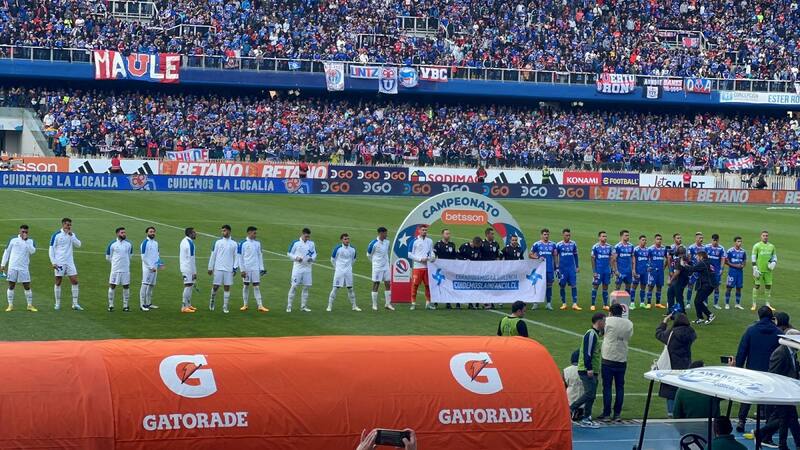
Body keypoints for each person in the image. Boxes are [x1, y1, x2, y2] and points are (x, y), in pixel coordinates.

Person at [734, 306, 780, 433]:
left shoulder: (751, 331)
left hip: (752, 370)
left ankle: (741, 420)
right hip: (770, 371)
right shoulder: (777, 333)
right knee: (768, 398)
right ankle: (767, 424)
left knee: (748, 395)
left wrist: (737, 369)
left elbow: (742, 351)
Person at [757, 329, 800, 450]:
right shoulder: (780, 353)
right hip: (781, 392)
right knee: (786, 418)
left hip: (789, 392)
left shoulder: (791, 352)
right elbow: (773, 374)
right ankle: (782, 444)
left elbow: (793, 370)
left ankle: (783, 442)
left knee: (788, 418)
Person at [656, 313, 696, 417]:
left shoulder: (673, 333)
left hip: (671, 364)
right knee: (682, 390)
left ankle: (671, 413)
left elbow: (659, 335)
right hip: (685, 364)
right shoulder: (690, 332)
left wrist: (664, 322)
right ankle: (682, 413)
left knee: (670, 391)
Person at [570, 312, 606, 428]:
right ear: (599, 321)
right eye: (604, 321)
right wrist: (589, 368)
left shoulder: (595, 334)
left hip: (593, 370)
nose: (605, 324)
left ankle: (587, 417)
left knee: (592, 394)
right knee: (590, 393)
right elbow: (587, 352)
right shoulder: (590, 334)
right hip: (586, 370)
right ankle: (570, 409)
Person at [599, 303, 633, 422]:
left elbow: (601, 332)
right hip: (621, 357)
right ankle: (617, 413)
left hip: (608, 357)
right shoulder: (629, 323)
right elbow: (629, 336)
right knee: (620, 387)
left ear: (611, 312)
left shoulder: (608, 321)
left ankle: (607, 413)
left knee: (607, 387)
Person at [49, 218, 82, 311]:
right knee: (58, 282)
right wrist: (53, 262)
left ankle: (75, 304)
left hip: (70, 262)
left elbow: (79, 245)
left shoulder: (72, 235)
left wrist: (72, 236)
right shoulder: (56, 235)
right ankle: (57, 304)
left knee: (75, 281)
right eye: (67, 225)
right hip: (59, 262)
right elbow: (51, 249)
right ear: (63, 224)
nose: (69, 226)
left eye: (70, 225)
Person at [1, 224, 37, 312]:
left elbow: (32, 251)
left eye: (26, 232)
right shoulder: (13, 240)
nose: (24, 233)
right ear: (19, 231)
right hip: (12, 267)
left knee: (27, 286)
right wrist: (2, 264)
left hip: (24, 267)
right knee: (11, 285)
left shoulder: (31, 241)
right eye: (23, 231)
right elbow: (7, 252)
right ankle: (10, 305)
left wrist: (26, 241)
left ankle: (29, 305)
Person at [208, 224, 238, 314]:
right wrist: (210, 267)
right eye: (222, 231)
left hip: (228, 269)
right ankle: (212, 301)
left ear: (229, 231)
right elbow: (213, 255)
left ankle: (225, 306)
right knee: (216, 287)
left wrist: (235, 268)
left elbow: (237, 257)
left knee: (227, 287)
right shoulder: (218, 242)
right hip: (218, 268)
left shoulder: (234, 243)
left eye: (224, 230)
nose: (223, 232)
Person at [238, 226, 268, 312]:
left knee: (256, 287)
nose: (256, 235)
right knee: (246, 286)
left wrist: (261, 268)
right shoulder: (243, 243)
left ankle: (260, 305)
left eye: (256, 233)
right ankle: (245, 305)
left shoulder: (258, 243)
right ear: (249, 233)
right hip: (246, 268)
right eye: (254, 233)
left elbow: (260, 256)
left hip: (255, 268)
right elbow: (240, 257)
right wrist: (242, 270)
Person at [328, 233, 361, 312]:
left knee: (350, 289)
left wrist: (348, 267)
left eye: (348, 239)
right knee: (335, 288)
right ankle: (329, 306)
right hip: (339, 272)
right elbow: (332, 259)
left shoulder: (352, 249)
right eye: (345, 239)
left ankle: (354, 306)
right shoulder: (338, 249)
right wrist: (337, 268)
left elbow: (354, 259)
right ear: (342, 240)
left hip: (348, 272)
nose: (347, 240)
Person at [682, 250, 717, 325]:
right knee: (697, 301)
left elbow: (693, 269)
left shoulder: (703, 263)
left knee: (698, 301)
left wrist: (684, 265)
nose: (696, 258)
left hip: (707, 285)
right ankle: (700, 318)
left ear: (701, 257)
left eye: (697, 257)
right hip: (709, 284)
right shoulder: (709, 262)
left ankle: (710, 315)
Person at [287, 227, 316, 313]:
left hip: (307, 268)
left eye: (308, 237)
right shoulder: (295, 243)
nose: (307, 238)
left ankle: (303, 306)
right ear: (302, 234)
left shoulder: (312, 244)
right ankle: (289, 306)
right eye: (306, 236)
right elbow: (289, 253)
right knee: (294, 286)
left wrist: (312, 258)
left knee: (306, 287)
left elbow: (314, 253)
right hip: (298, 269)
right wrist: (296, 258)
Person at [105, 227, 132, 312]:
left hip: (125, 269)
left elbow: (130, 256)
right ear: (117, 234)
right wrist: (115, 264)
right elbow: (108, 257)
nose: (124, 234)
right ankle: (111, 305)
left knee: (126, 286)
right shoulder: (112, 244)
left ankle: (125, 305)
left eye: (124, 232)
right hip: (115, 269)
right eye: (122, 233)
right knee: (112, 286)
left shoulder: (129, 244)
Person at [409, 224, 434, 311]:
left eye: (426, 230)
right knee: (415, 285)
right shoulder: (414, 241)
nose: (424, 231)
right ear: (419, 231)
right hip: (417, 267)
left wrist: (432, 258)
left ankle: (428, 303)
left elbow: (431, 252)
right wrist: (420, 259)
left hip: (427, 267)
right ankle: (413, 303)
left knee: (428, 285)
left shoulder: (430, 241)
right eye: (423, 230)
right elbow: (409, 254)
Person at [367, 227, 393, 311]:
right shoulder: (373, 243)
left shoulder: (387, 242)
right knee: (376, 284)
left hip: (386, 266)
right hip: (377, 267)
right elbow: (368, 255)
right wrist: (375, 263)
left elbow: (388, 251)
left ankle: (387, 304)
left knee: (388, 283)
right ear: (381, 233)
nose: (386, 235)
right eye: (385, 233)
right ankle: (374, 305)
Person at [529, 228, 556, 310]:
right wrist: (537, 257)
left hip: (549, 269)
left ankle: (548, 303)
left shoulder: (553, 245)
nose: (546, 236)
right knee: (538, 285)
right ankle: (535, 303)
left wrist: (556, 267)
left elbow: (555, 256)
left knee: (549, 286)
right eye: (544, 234)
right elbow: (530, 255)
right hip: (540, 270)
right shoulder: (537, 244)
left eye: (547, 234)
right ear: (541, 235)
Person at [555, 228, 581, 311]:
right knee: (562, 285)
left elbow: (576, 256)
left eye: (569, 235)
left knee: (573, 285)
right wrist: (557, 267)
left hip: (571, 268)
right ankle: (564, 303)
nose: (568, 237)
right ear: (563, 235)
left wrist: (577, 266)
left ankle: (574, 304)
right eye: (566, 235)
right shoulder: (558, 245)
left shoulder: (573, 244)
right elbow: (555, 256)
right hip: (562, 269)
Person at [751, 230, 777, 311]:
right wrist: (754, 267)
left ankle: (767, 304)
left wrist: (774, 263)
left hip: (768, 271)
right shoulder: (757, 246)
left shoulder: (772, 246)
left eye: (766, 235)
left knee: (768, 286)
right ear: (761, 236)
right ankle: (754, 304)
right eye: (764, 235)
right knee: (757, 285)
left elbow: (774, 257)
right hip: (759, 270)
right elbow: (753, 257)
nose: (765, 237)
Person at [433, 228, 458, 309]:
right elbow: (434, 256)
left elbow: (454, 256)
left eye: (449, 233)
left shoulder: (452, 244)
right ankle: (436, 302)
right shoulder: (438, 244)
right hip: (440, 269)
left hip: (449, 269)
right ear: (442, 235)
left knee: (449, 285)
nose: (448, 235)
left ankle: (448, 302)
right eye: (447, 233)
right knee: (439, 284)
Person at [590, 231, 613, 311]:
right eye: (603, 236)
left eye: (605, 236)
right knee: (595, 286)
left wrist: (611, 269)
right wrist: (594, 271)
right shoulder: (595, 247)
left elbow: (611, 259)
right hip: (599, 270)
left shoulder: (609, 247)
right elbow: (592, 259)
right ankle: (593, 304)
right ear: (599, 237)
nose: (605, 238)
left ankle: (605, 305)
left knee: (605, 287)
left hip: (606, 270)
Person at [459, 237, 484, 309]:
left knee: (473, 286)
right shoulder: (464, 246)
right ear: (475, 243)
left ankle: (473, 303)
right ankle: (459, 303)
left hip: (474, 271)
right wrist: (465, 260)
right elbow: (457, 255)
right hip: (464, 271)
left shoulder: (478, 249)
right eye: (479, 245)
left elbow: (479, 258)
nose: (479, 247)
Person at [139, 226, 160, 311]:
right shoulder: (144, 243)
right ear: (147, 233)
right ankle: (142, 304)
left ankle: (148, 303)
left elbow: (157, 255)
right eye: (151, 232)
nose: (152, 233)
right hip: (147, 268)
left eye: (153, 232)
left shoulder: (156, 243)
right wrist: (150, 267)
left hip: (154, 268)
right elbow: (143, 257)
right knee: (144, 285)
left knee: (151, 285)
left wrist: (158, 264)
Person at [646, 234, 668, 309]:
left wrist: (664, 267)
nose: (659, 241)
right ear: (655, 240)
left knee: (659, 286)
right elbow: (646, 259)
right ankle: (648, 303)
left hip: (660, 272)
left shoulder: (663, 248)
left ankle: (657, 303)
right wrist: (648, 267)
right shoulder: (650, 249)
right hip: (652, 271)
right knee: (650, 286)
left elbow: (667, 258)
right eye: (658, 239)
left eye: (660, 239)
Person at [179, 227, 198, 313]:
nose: (196, 234)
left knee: (190, 286)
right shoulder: (189, 244)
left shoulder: (185, 241)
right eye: (194, 232)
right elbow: (191, 258)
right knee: (188, 285)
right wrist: (194, 272)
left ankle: (188, 305)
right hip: (187, 267)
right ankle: (184, 307)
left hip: (186, 266)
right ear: (190, 234)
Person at [725, 236, 746, 310]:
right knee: (729, 287)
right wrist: (735, 265)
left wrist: (742, 265)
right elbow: (726, 261)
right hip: (732, 272)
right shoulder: (730, 251)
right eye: (738, 241)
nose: (740, 243)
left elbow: (744, 260)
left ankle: (737, 304)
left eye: (740, 241)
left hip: (740, 272)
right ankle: (727, 303)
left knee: (739, 288)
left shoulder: (743, 251)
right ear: (735, 242)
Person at [706, 234, 727, 309]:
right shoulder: (707, 247)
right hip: (707, 270)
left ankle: (716, 303)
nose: (715, 242)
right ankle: (705, 302)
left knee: (716, 287)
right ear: (711, 240)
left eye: (716, 240)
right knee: (706, 286)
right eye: (713, 240)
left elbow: (723, 259)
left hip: (716, 271)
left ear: (718, 240)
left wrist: (721, 269)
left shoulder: (721, 248)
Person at [564, 350, 585, 421]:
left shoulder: (566, 370)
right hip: (583, 403)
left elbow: (564, 387)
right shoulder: (586, 370)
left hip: (569, 402)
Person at [667, 246, 690, 313]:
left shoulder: (681, 259)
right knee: (671, 293)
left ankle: (681, 312)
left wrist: (670, 280)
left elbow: (677, 272)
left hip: (679, 280)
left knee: (678, 296)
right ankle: (671, 311)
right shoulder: (684, 259)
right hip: (682, 280)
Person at [686, 232, 705, 307]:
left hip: (701, 271)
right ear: (696, 238)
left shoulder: (704, 247)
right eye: (700, 238)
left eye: (702, 238)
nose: (701, 239)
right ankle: (688, 303)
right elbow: (689, 259)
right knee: (690, 285)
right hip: (694, 270)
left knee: (702, 287)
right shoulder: (691, 247)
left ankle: (702, 302)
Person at [631, 235, 649, 309]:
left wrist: (648, 267)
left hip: (645, 271)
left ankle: (642, 302)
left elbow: (648, 260)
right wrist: (634, 270)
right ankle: (632, 303)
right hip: (637, 271)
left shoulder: (647, 250)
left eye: (645, 240)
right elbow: (633, 261)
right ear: (639, 241)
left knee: (643, 287)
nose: (644, 241)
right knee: (634, 286)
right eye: (643, 240)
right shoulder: (636, 249)